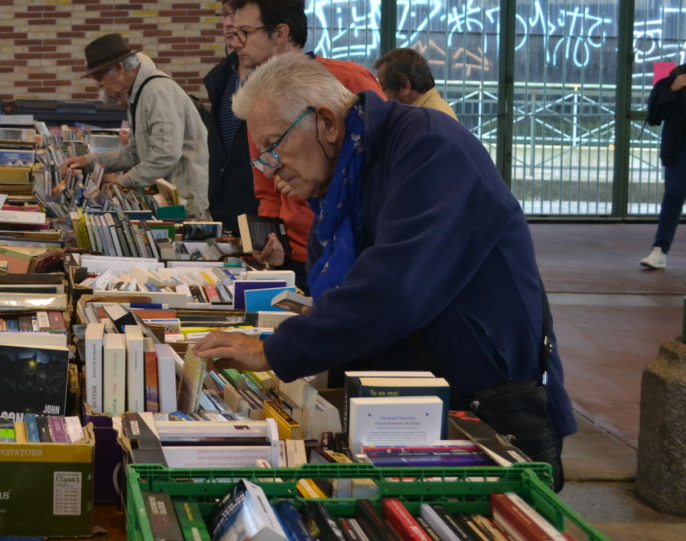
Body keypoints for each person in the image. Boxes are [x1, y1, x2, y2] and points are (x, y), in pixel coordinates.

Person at [190, 53, 576, 488]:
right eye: (262, 157)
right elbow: (346, 290)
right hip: (414, 407)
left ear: (326, 123)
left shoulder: (430, 148)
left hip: (488, 406)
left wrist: (273, 351)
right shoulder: (344, 179)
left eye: (274, 147)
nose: (271, 166)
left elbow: (395, 288)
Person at [229, 0, 383, 289]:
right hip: (297, 255)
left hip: (354, 253)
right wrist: (271, 236)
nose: (236, 42)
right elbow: (266, 186)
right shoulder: (257, 99)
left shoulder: (348, 79)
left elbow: (379, 156)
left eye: (246, 31)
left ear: (280, 33)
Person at [61, 33, 213, 218]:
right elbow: (134, 152)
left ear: (119, 68)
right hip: (173, 197)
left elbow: (165, 155)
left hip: (186, 201)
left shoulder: (157, 92)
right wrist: (89, 160)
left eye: (101, 80)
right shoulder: (139, 93)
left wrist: (123, 180)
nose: (102, 87)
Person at [202, 0, 258, 227]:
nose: (228, 23)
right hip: (225, 213)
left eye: (235, 15)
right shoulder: (222, 76)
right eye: (225, 14)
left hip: (266, 219)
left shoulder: (279, 78)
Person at [642, 65, 686, 270]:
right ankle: (659, 250)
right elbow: (655, 114)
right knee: (674, 193)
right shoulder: (676, 78)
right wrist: (673, 90)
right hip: (680, 147)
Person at [374, 47, 459, 121]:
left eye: (385, 89)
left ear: (405, 87)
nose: (382, 96)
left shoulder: (428, 119)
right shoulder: (431, 109)